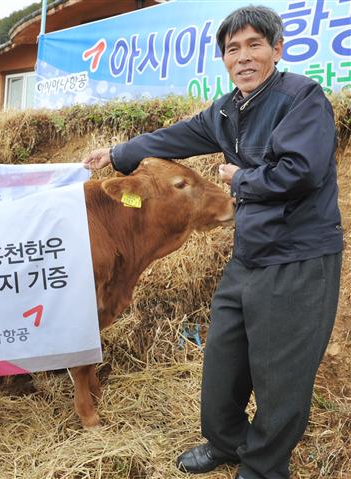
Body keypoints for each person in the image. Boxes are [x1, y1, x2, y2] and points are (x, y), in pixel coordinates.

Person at [82, 6, 342, 479]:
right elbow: (175, 137)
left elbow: (301, 172)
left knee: (281, 374)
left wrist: (241, 180)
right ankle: (225, 442)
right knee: (224, 355)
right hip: (250, 253)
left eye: (253, 45)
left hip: (299, 255)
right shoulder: (227, 109)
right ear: (224, 59)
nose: (242, 57)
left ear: (276, 50)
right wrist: (117, 154)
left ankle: (263, 468)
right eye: (232, 49)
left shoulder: (301, 98)